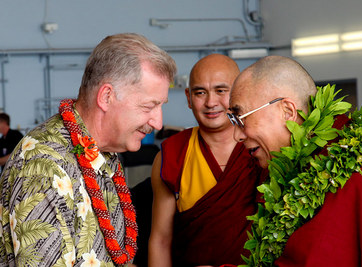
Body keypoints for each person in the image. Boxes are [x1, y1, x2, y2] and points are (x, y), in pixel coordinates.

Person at [0, 33, 177, 267]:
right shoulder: (44, 164)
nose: (158, 123)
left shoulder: (104, 152)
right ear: (106, 97)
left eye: (160, 106)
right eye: (148, 106)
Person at [228, 55, 362, 266]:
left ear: (287, 111)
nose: (237, 135)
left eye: (241, 118)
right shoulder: (299, 165)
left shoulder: (352, 168)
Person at [148, 54, 265, 267]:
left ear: (240, 91)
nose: (211, 103)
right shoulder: (173, 154)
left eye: (221, 91)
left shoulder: (263, 146)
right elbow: (161, 239)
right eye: (200, 92)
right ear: (188, 97)